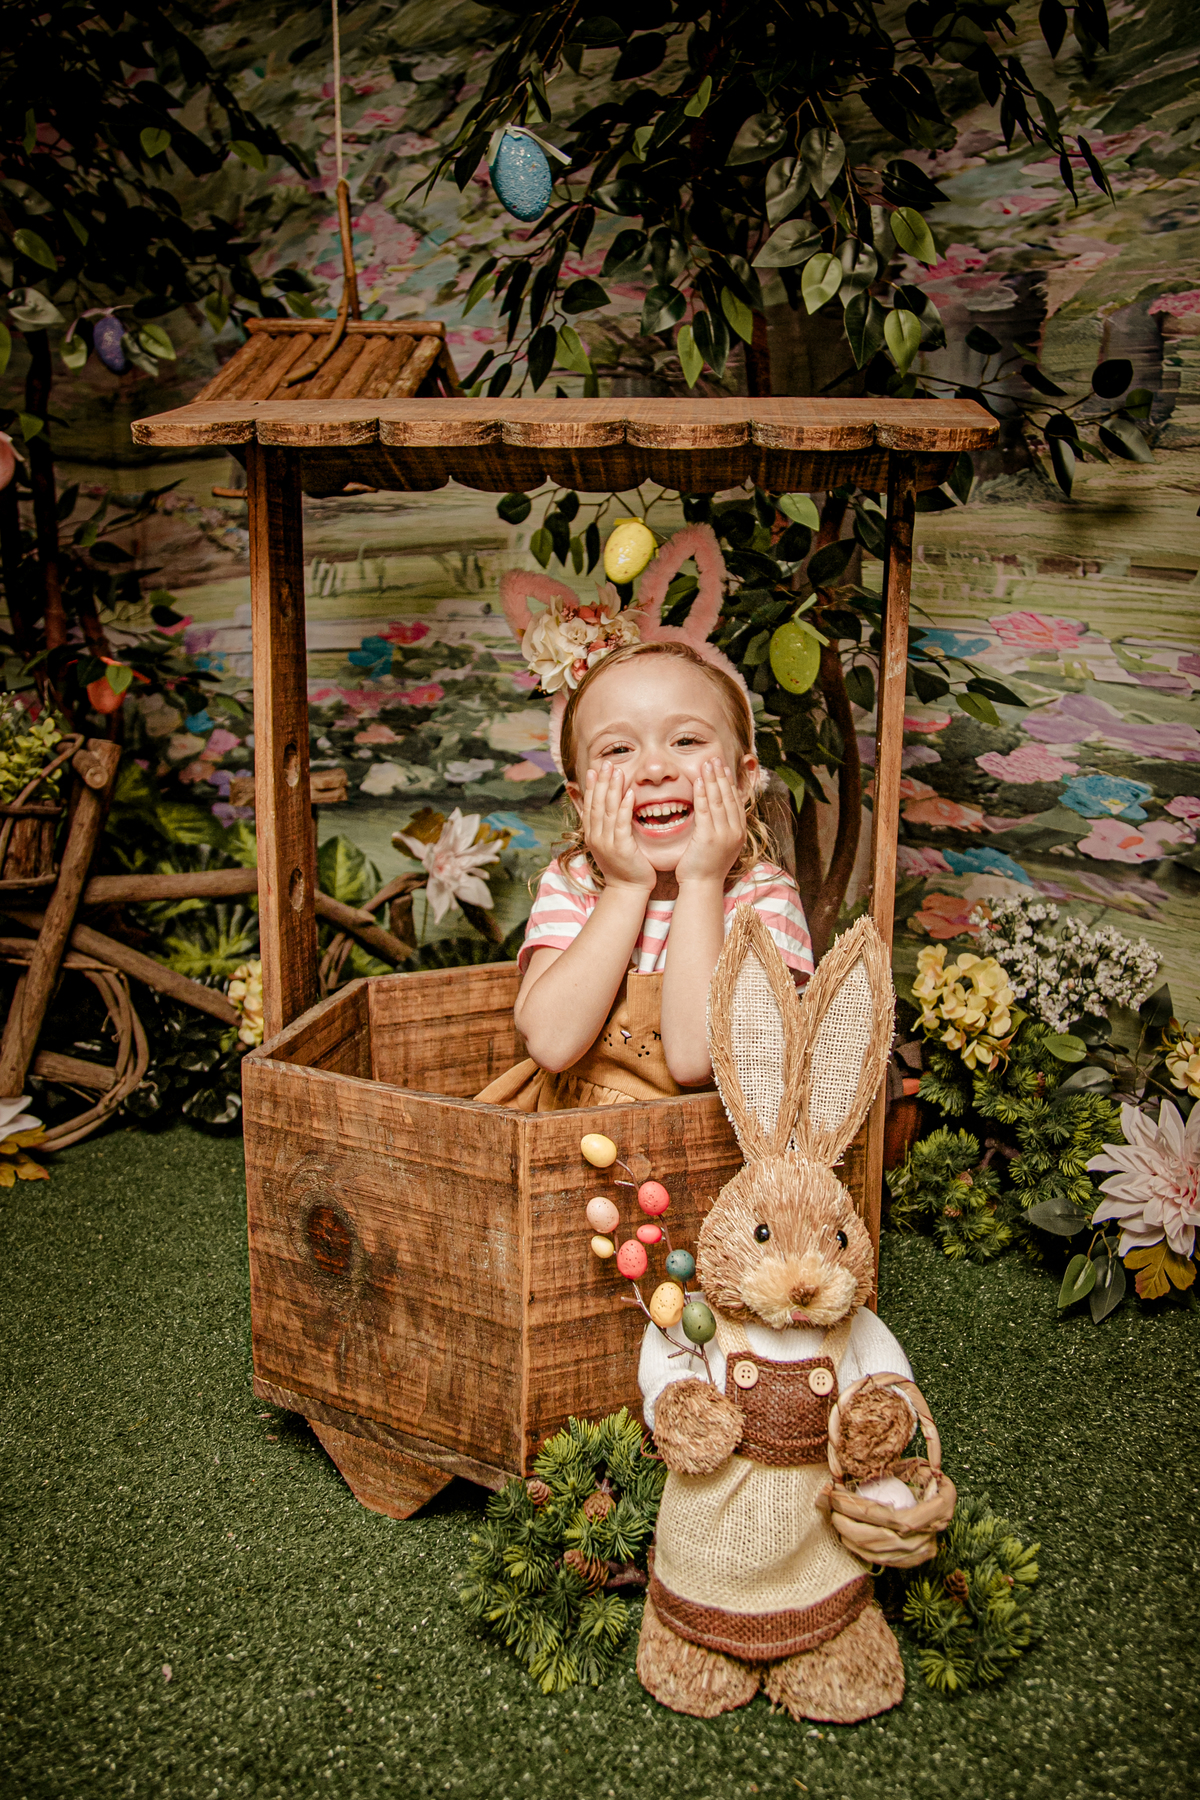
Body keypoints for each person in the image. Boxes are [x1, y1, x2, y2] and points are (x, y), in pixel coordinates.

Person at [476, 638, 813, 1112]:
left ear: (741, 781)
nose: (654, 769)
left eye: (686, 740)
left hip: (697, 1153)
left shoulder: (765, 899)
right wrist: (626, 886)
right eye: (618, 749)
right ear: (581, 801)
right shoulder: (573, 883)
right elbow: (551, 1045)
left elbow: (697, 1061)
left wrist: (701, 882)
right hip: (565, 1140)